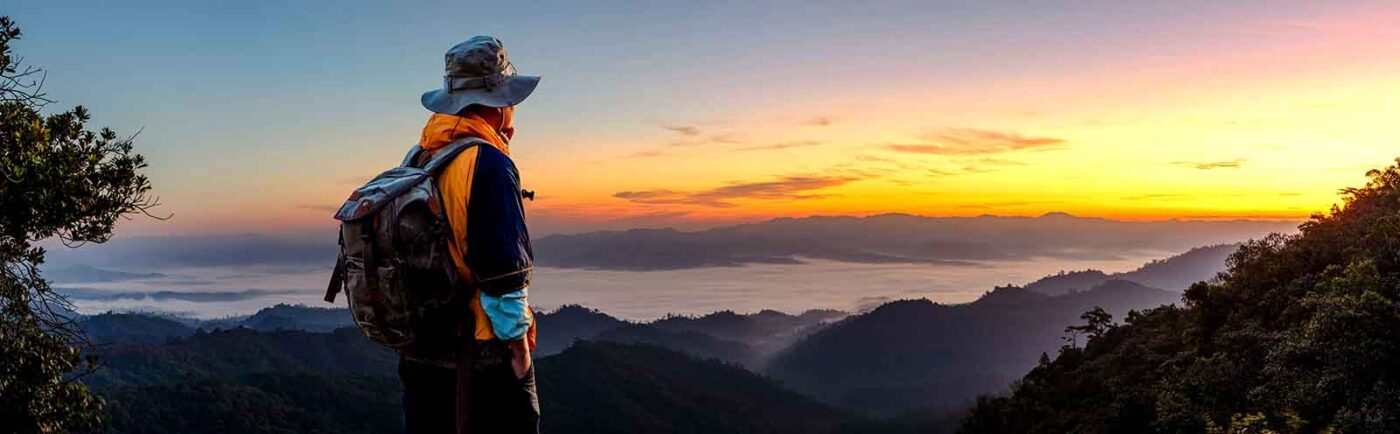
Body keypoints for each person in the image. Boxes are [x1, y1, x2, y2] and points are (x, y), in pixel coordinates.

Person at [398, 35, 541, 434]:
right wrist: (519, 356)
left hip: (419, 352)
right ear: (499, 104)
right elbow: (504, 277)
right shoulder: (488, 163)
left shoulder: (418, 157)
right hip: (476, 359)